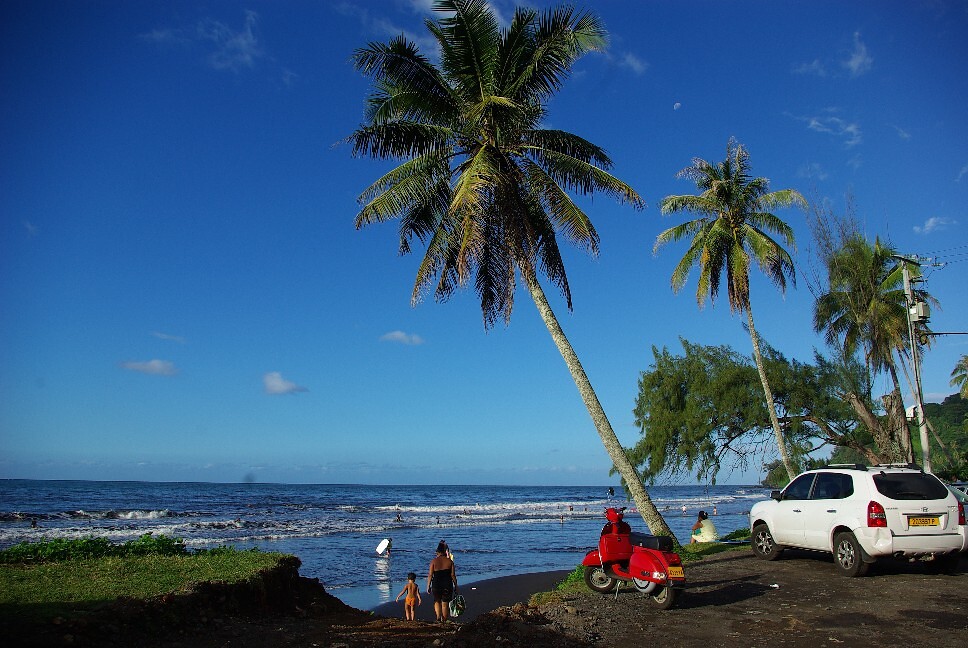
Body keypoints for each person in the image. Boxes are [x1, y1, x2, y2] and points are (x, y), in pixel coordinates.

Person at [427, 541, 457, 623]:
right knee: (445, 603)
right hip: (447, 584)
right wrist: (456, 586)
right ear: (445, 552)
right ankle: (444, 619)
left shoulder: (433, 561)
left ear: (437, 552)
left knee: (437, 601)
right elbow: (453, 575)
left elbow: (430, 575)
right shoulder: (450, 562)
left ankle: (438, 617)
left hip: (436, 584)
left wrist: (428, 586)